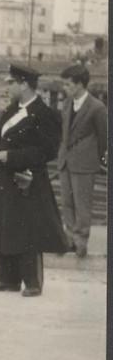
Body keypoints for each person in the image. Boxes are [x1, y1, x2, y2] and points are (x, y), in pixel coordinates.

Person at [0, 64, 66, 297]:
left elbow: (47, 151)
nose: (7, 87)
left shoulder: (44, 114)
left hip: (27, 179)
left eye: (11, 83)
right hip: (4, 177)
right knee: (4, 225)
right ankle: (7, 278)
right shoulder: (10, 111)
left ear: (25, 85)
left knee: (27, 229)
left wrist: (11, 156)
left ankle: (32, 282)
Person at [56, 64, 107, 257]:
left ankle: (81, 241)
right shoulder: (68, 103)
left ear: (79, 85)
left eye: (68, 84)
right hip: (66, 162)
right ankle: (70, 238)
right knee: (67, 202)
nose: (65, 88)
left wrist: (101, 162)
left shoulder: (97, 108)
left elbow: (104, 138)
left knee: (82, 203)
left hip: (84, 164)